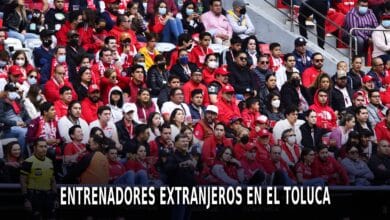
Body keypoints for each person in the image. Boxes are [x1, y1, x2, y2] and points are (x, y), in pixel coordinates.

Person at [20, 138, 57, 220]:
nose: (44, 149)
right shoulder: (28, 162)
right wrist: (26, 199)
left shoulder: (50, 161)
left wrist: (55, 198)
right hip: (34, 197)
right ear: (35, 148)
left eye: (45, 146)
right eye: (41, 146)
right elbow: (23, 182)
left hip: (48, 196)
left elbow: (53, 181)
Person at [164, 134, 196, 220]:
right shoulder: (172, 156)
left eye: (187, 141)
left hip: (189, 192)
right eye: (183, 141)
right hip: (178, 193)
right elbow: (167, 169)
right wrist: (182, 164)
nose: (185, 143)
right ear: (176, 144)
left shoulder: (189, 156)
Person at [0, 83, 29, 156]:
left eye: (14, 91)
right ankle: (21, 157)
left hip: (21, 126)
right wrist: (15, 123)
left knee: (32, 130)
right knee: (23, 132)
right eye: (11, 91)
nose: (13, 93)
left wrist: (26, 123)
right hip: (7, 129)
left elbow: (27, 117)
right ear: (6, 92)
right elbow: (1, 119)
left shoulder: (18, 102)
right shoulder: (1, 102)